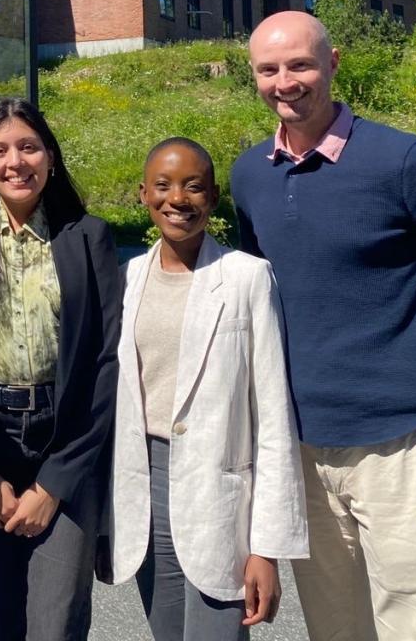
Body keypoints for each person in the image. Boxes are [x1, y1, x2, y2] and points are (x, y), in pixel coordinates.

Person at [230, 10, 416, 641]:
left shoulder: (404, 163)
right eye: (268, 69)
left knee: (414, 631)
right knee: (335, 632)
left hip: (402, 455)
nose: (285, 81)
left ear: (331, 64)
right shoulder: (250, 176)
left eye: (300, 64)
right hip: (299, 451)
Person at [107, 138, 308, 641]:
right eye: (163, 185)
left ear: (213, 197)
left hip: (220, 487)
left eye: (193, 186)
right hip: (146, 483)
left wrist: (266, 547)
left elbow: (274, 415)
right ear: (143, 195)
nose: (178, 199)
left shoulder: (247, 278)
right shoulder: (125, 279)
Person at [0, 97, 122, 640]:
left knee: (56, 622)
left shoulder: (87, 236)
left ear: (50, 155)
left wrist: (55, 483)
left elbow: (105, 362)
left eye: (28, 147)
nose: (15, 162)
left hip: (65, 443)